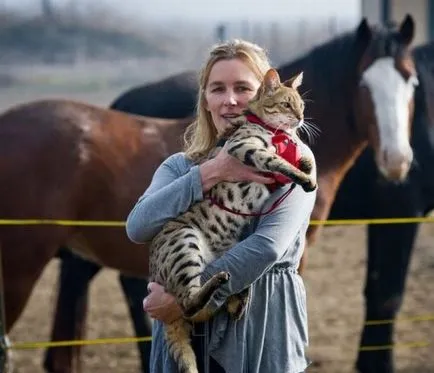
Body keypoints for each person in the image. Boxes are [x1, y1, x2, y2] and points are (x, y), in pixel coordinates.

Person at [126, 39, 316, 373]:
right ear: (206, 100)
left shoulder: (294, 160)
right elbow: (138, 227)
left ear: (263, 95)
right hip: (182, 331)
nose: (229, 100)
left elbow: (267, 247)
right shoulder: (179, 166)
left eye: (243, 88)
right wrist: (209, 173)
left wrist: (183, 302)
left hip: (259, 326)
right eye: (217, 89)